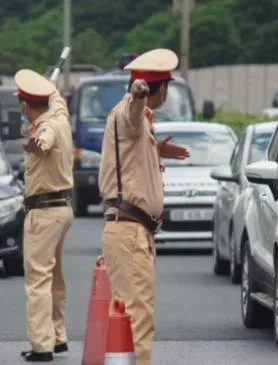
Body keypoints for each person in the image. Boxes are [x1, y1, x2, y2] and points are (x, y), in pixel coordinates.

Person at [98, 48, 190, 365]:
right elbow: (131, 114)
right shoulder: (129, 113)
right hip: (129, 230)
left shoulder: (142, 125)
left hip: (133, 231)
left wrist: (158, 152)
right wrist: (138, 93)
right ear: (161, 89)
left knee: (129, 313)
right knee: (138, 314)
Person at [14, 69, 74, 362]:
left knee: (37, 279)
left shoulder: (46, 127)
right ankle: (58, 336)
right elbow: (58, 102)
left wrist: (35, 142)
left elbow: (44, 141)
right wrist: (52, 90)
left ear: (25, 106)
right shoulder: (60, 116)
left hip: (44, 211)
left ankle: (42, 345)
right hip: (62, 209)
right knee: (54, 278)